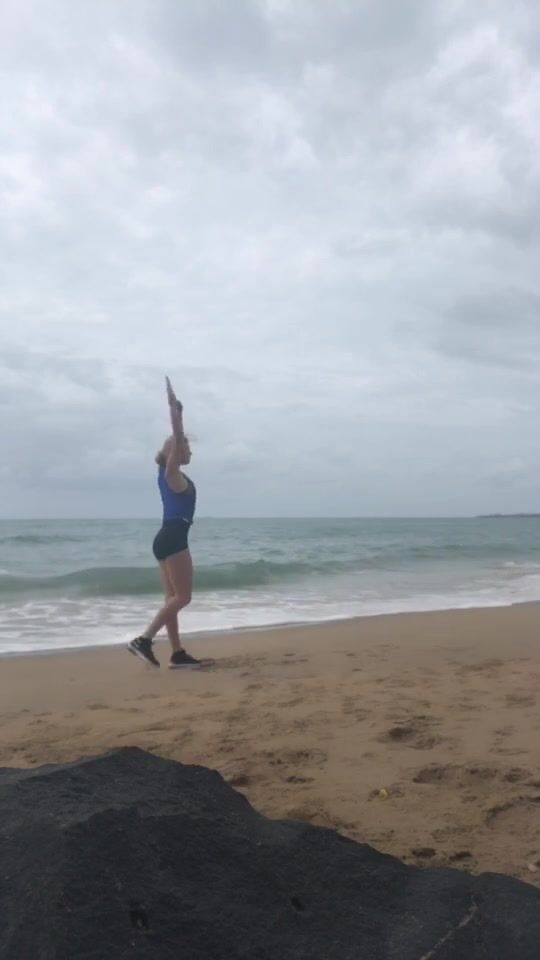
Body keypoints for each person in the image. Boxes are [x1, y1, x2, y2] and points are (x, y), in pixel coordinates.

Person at [128, 376, 202, 669]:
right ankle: (144, 640)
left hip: (164, 538)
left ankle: (177, 653)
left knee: (172, 599)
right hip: (173, 537)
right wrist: (176, 415)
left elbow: (176, 443)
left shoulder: (169, 475)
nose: (190, 451)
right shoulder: (171, 473)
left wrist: (178, 417)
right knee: (183, 597)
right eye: (186, 447)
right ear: (176, 452)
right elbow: (176, 437)